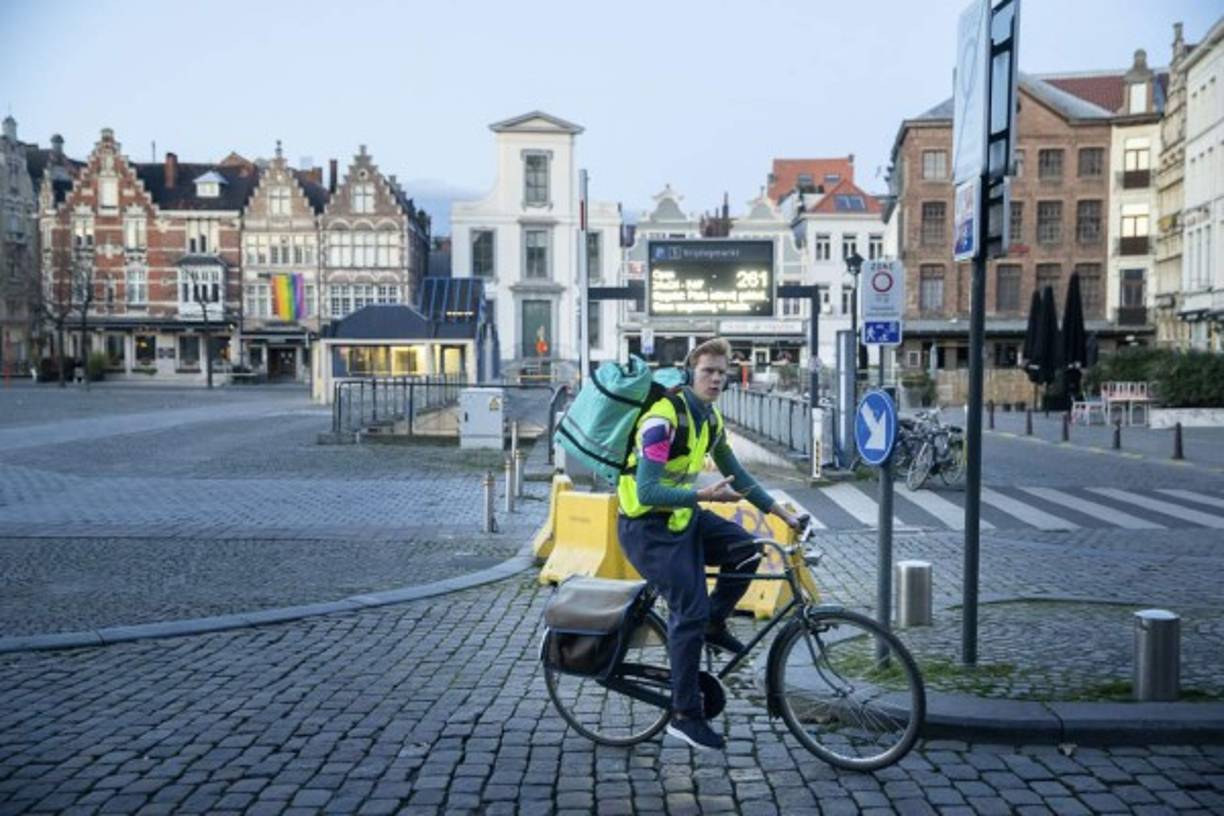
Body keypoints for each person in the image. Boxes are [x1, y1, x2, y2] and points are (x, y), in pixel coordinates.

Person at [616, 338, 807, 751]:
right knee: (689, 608)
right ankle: (685, 716)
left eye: (722, 372)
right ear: (691, 373)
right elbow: (647, 491)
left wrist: (782, 514)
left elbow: (738, 475)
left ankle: (712, 624)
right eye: (708, 371)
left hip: (681, 517)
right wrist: (705, 496)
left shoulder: (710, 419)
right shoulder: (662, 420)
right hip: (645, 527)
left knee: (748, 549)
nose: (717, 379)